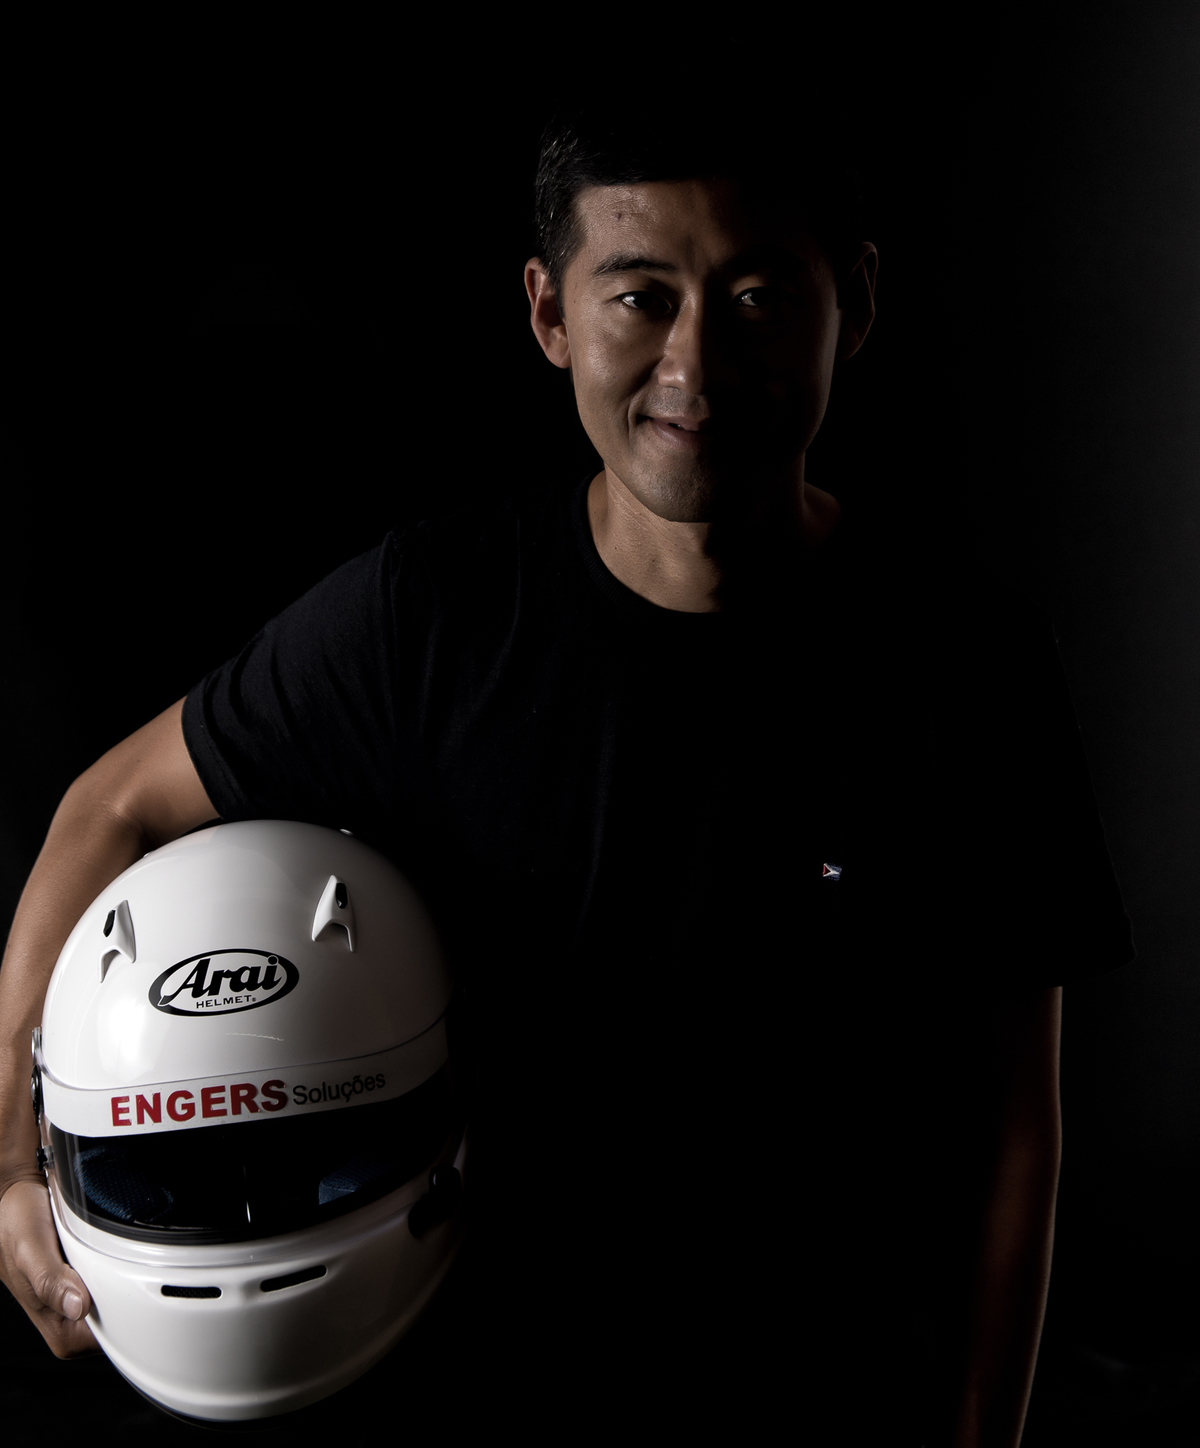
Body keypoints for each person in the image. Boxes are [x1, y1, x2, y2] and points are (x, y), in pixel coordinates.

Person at [0, 105, 1132, 1446]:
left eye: (759, 296)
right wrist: (14, 1166)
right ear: (549, 312)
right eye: (640, 297)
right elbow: (111, 808)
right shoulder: (431, 622)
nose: (695, 364)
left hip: (838, 1394)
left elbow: (1015, 1132)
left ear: (858, 304)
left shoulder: (971, 662)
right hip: (487, 1387)